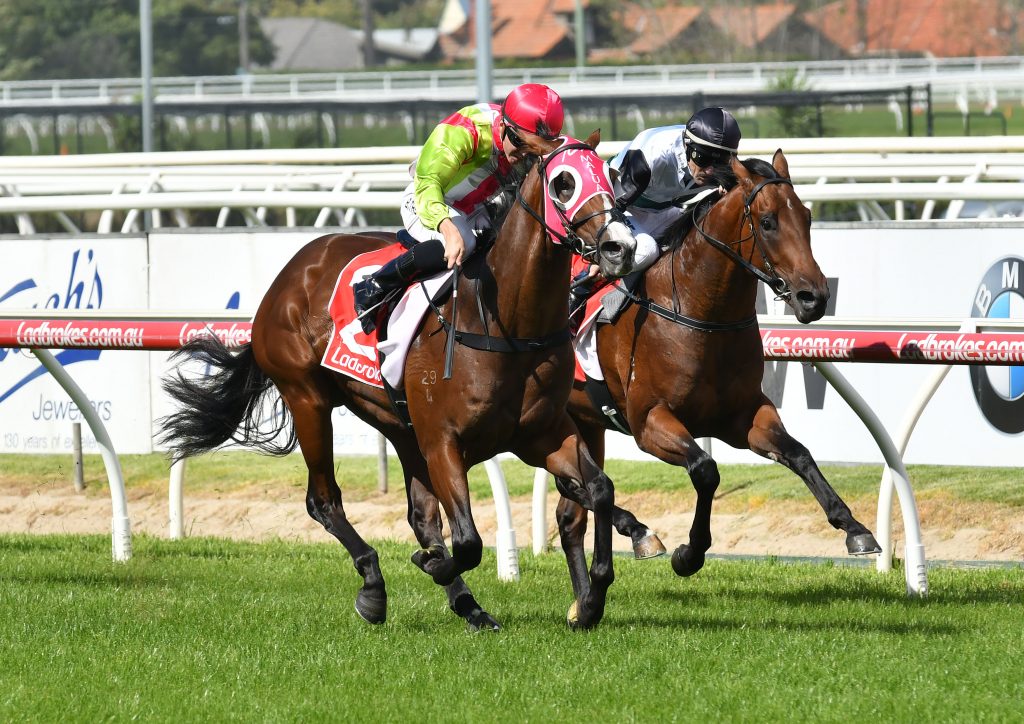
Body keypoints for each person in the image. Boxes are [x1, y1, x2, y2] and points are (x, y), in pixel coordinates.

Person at [353, 83, 565, 333]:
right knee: (464, 241)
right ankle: (375, 285)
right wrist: (447, 228)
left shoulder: (524, 139)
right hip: (428, 198)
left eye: (534, 148)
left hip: (479, 208)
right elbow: (428, 182)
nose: (522, 153)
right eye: (518, 141)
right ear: (502, 125)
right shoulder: (466, 129)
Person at [569, 107, 742, 315]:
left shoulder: (720, 162)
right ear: (687, 145)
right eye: (702, 158)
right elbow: (611, 210)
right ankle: (582, 284)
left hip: (663, 209)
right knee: (647, 250)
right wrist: (604, 255)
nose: (710, 170)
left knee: (701, 233)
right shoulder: (652, 156)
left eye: (720, 162)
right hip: (619, 205)